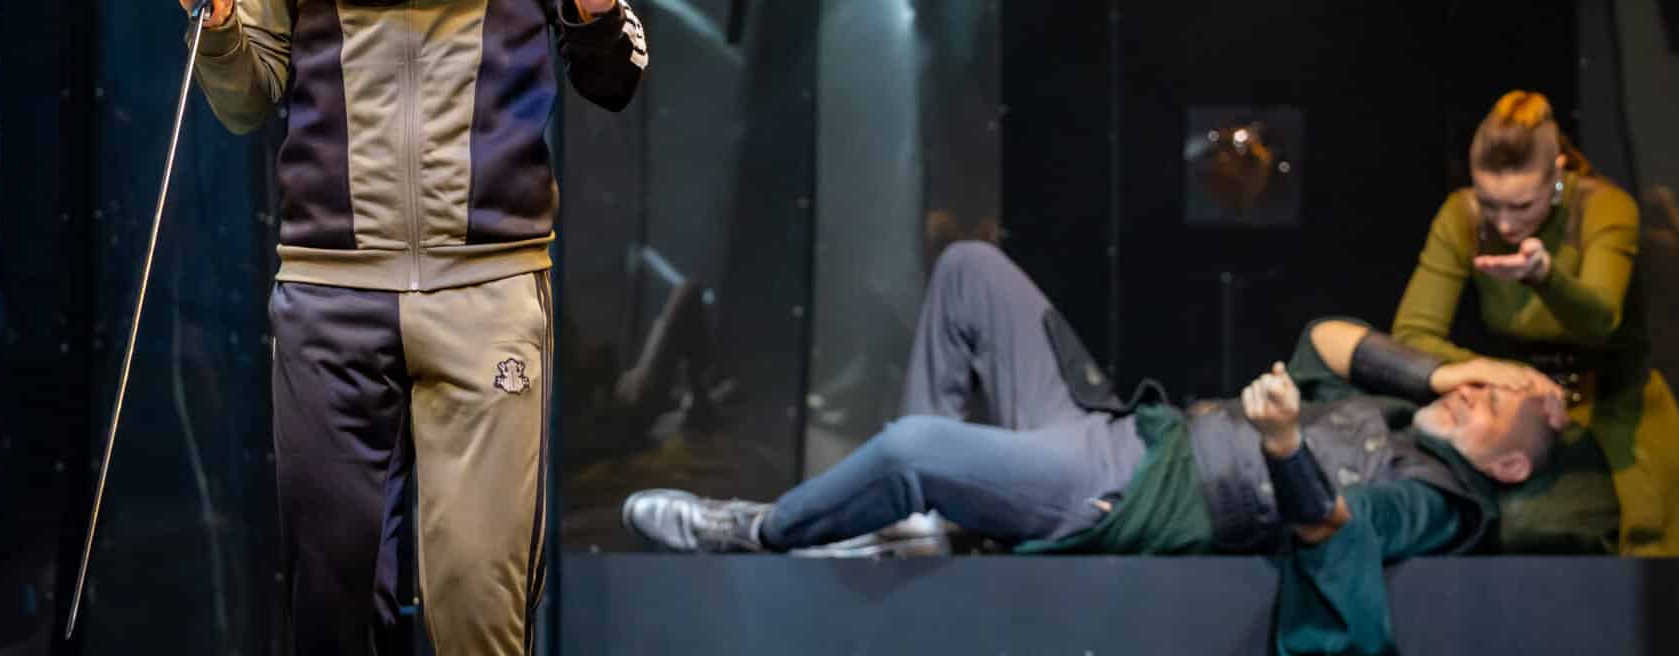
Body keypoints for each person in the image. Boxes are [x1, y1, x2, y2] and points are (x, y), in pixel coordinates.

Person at [169, 0, 647, 654]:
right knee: (331, 612)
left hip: (486, 292)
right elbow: (248, 98)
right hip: (330, 298)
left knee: (479, 607)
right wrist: (217, 15)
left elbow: (612, 81)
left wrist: (593, 4)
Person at [624, 243, 1562, 656]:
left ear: (1510, 465)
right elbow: (1326, 338)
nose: (1472, 392)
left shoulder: (1443, 499)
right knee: (969, 271)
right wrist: (1450, 370)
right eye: (1481, 381)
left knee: (911, 448)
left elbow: (1338, 529)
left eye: (1493, 403)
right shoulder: (1399, 410)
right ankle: (915, 529)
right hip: (1118, 429)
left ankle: (760, 532)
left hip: (1125, 491)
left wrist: (1284, 444)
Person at [1390, 90, 1679, 556]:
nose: (1505, 225)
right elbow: (1411, 335)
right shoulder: (1461, 216)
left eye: (1523, 206)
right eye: (1490, 203)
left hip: (1613, 411)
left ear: (1557, 175)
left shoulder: (1603, 208)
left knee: (1607, 530)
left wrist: (1546, 278)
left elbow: (1600, 319)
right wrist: (1503, 374)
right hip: (1520, 410)